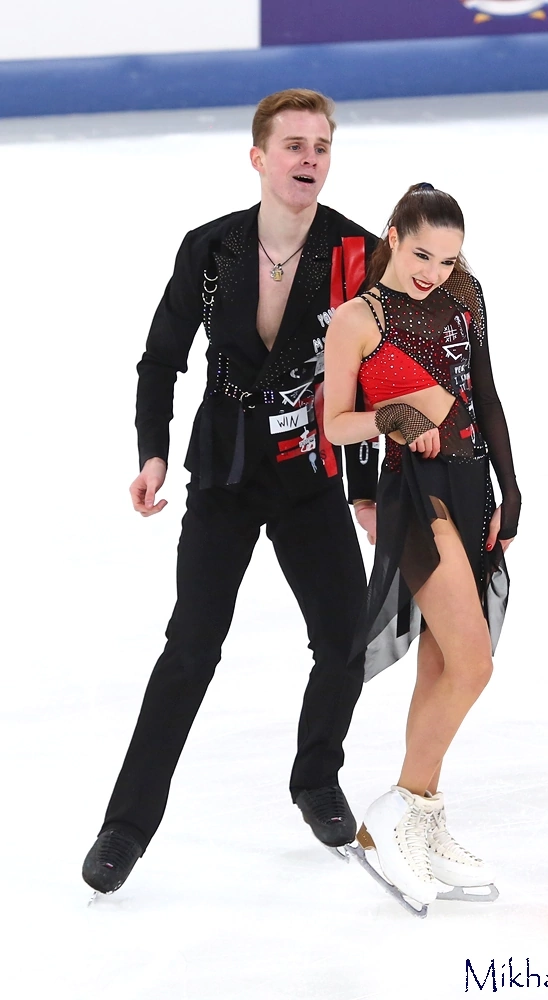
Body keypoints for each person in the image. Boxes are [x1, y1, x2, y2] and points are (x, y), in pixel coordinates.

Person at [82, 89, 380, 895]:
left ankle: (315, 779)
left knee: (344, 639)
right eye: (293, 145)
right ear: (258, 157)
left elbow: (367, 379)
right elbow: (160, 359)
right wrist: (151, 453)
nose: (308, 159)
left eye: (320, 146)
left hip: (309, 470)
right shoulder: (211, 248)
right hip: (224, 470)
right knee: (191, 647)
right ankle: (124, 828)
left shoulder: (357, 254)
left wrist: (363, 489)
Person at [323, 183, 521, 907]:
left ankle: (425, 820)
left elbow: (483, 393)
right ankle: (396, 814)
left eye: (446, 259)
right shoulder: (358, 317)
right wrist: (395, 417)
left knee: (441, 664)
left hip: (472, 488)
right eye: (420, 254)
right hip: (416, 495)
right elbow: (335, 424)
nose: (433, 271)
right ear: (393, 237)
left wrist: (510, 489)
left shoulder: (465, 296)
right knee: (473, 663)